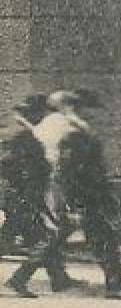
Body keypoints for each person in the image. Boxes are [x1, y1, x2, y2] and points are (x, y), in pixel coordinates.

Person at [24, 90, 121, 298]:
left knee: (62, 234)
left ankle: (51, 277)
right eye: (77, 105)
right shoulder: (70, 127)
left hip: (65, 188)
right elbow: (70, 165)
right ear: (68, 106)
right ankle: (115, 282)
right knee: (93, 234)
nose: (82, 110)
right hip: (79, 189)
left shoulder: (50, 126)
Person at [3, 94, 74, 296]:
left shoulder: (24, 136)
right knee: (48, 237)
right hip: (25, 197)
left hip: (19, 196)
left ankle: (56, 278)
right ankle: (20, 279)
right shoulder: (27, 139)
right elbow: (29, 170)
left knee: (24, 237)